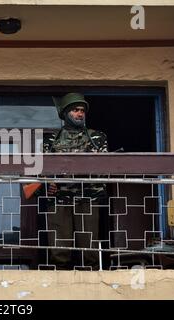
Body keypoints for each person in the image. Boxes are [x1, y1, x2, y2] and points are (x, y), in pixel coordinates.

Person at [42, 92, 108, 270]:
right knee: (59, 246)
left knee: (89, 246)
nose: (80, 114)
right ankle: (60, 281)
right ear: (64, 114)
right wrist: (49, 182)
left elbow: (103, 168)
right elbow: (41, 168)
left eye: (82, 111)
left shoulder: (97, 137)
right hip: (60, 198)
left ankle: (92, 281)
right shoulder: (51, 139)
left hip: (88, 197)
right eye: (75, 110)